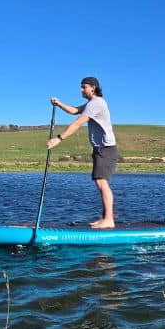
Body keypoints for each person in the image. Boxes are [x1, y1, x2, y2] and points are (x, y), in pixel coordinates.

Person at [47, 76, 118, 229]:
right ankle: (106, 218)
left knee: (101, 182)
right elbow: (74, 110)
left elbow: (78, 122)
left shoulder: (96, 103)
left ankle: (109, 219)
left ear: (93, 87)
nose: (81, 89)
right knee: (100, 182)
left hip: (106, 149)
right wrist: (59, 104)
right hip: (100, 149)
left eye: (83, 87)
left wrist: (59, 138)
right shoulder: (91, 104)